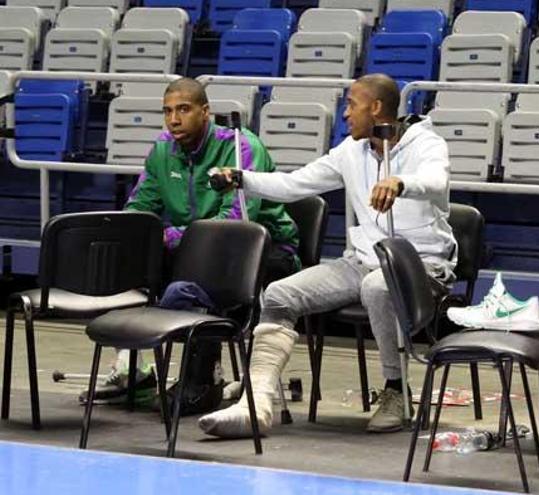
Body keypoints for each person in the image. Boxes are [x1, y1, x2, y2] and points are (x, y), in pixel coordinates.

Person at [198, 73, 457, 437]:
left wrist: (400, 183)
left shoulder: (425, 143)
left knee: (377, 287)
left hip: (420, 266)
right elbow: (293, 184)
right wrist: (241, 178)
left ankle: (397, 391)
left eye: (352, 104)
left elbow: (436, 180)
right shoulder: (350, 152)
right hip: (361, 260)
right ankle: (256, 402)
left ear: (377, 107)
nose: (345, 114)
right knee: (279, 294)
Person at [87, 78, 300, 409]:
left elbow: (235, 223)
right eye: (168, 111)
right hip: (191, 251)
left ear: (205, 112)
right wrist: (136, 234)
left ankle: (203, 381)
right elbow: (140, 207)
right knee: (125, 257)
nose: (174, 119)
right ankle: (134, 372)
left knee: (195, 281)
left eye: (183, 110)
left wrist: (170, 236)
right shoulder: (162, 151)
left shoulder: (240, 147)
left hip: (261, 252)